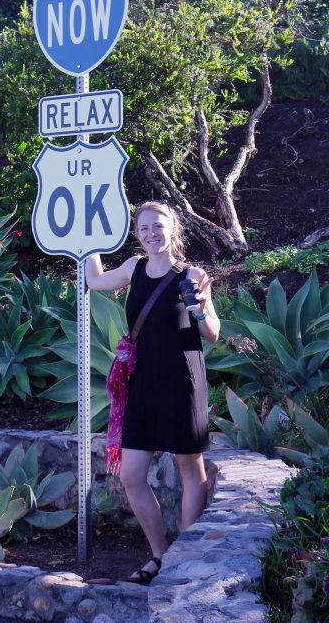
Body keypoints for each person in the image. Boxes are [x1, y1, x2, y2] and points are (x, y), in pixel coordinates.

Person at [85, 200, 220, 584]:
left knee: (189, 470)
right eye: (143, 228)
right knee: (131, 475)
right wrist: (85, 240)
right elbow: (95, 281)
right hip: (143, 384)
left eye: (157, 226)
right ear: (137, 234)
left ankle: (186, 558)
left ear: (172, 228)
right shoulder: (133, 269)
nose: (151, 233)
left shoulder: (192, 274)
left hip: (183, 381)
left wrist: (203, 308)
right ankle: (160, 555)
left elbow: (213, 334)